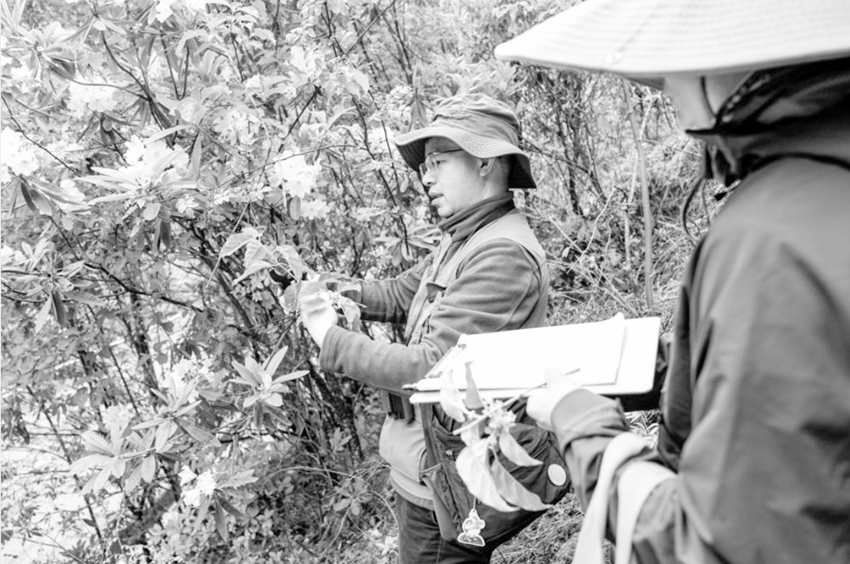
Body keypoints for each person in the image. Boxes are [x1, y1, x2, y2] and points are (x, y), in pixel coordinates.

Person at [492, 1, 850, 563]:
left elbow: (719, 545)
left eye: (670, 69)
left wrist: (581, 423)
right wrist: (651, 364)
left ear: (735, 63)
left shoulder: (766, 243)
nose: (666, 93)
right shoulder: (815, 196)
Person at [299, 92, 569, 563]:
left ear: (484, 162)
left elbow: (429, 367)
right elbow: (404, 294)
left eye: (439, 162)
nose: (426, 177)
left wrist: (329, 337)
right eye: (425, 166)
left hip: (449, 483)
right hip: (426, 470)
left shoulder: (502, 254)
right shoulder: (468, 237)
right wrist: (328, 288)